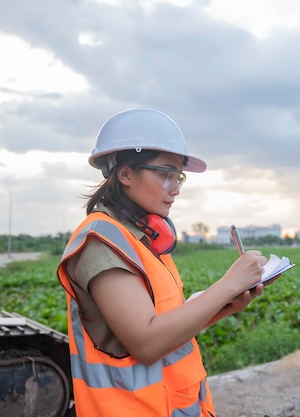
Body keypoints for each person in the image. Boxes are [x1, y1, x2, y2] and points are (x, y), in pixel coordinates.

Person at [57, 108, 269, 417]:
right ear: (126, 174)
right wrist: (228, 284)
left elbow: (166, 322)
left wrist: (223, 305)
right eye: (165, 174)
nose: (176, 187)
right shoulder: (101, 242)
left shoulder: (144, 238)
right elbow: (146, 342)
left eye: (179, 176)